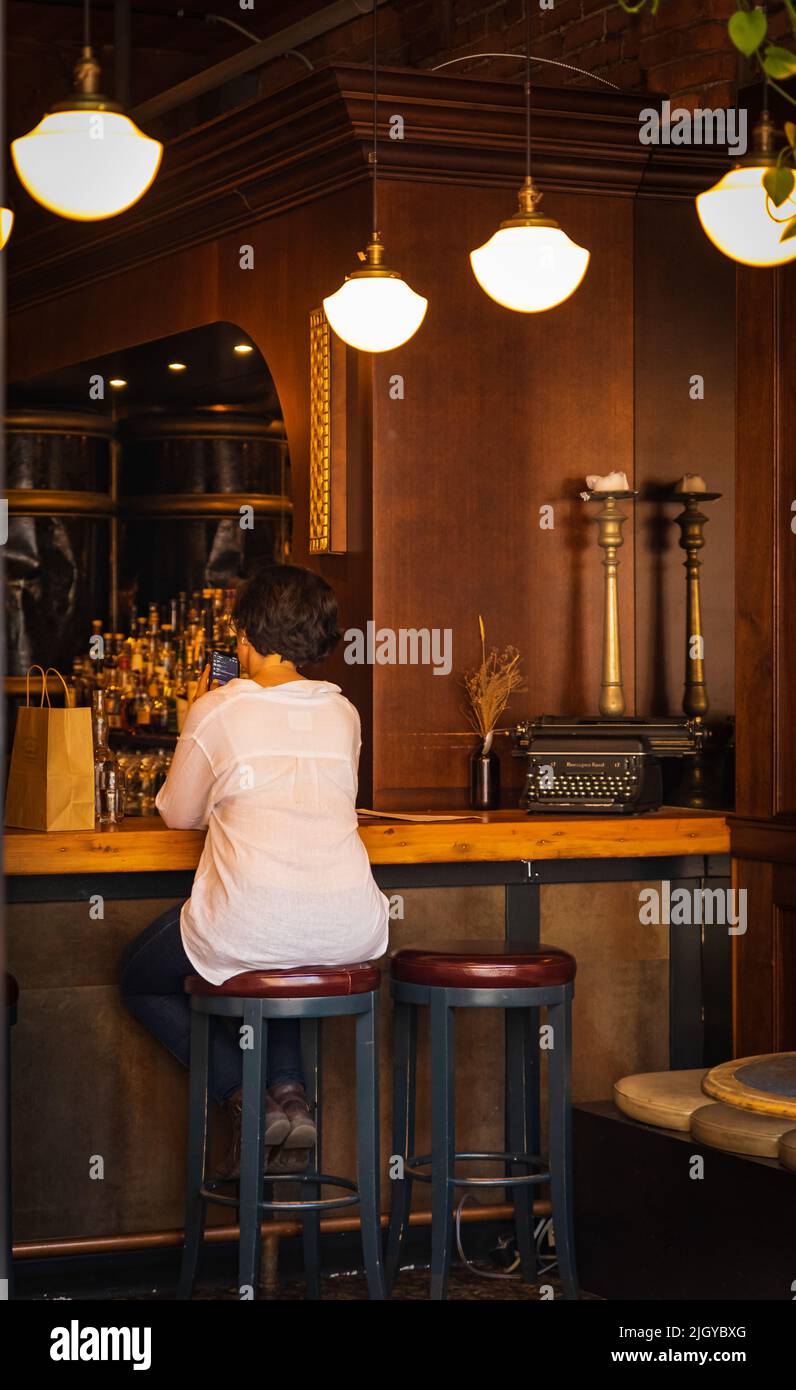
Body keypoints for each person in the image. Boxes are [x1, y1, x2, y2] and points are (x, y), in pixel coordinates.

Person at [120, 564, 389, 1177]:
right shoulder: (343, 713)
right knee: (282, 955)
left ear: (248, 635)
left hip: (249, 929)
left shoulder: (220, 707)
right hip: (350, 932)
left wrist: (197, 714)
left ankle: (243, 1095)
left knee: (140, 979)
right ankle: (291, 1097)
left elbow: (177, 815)